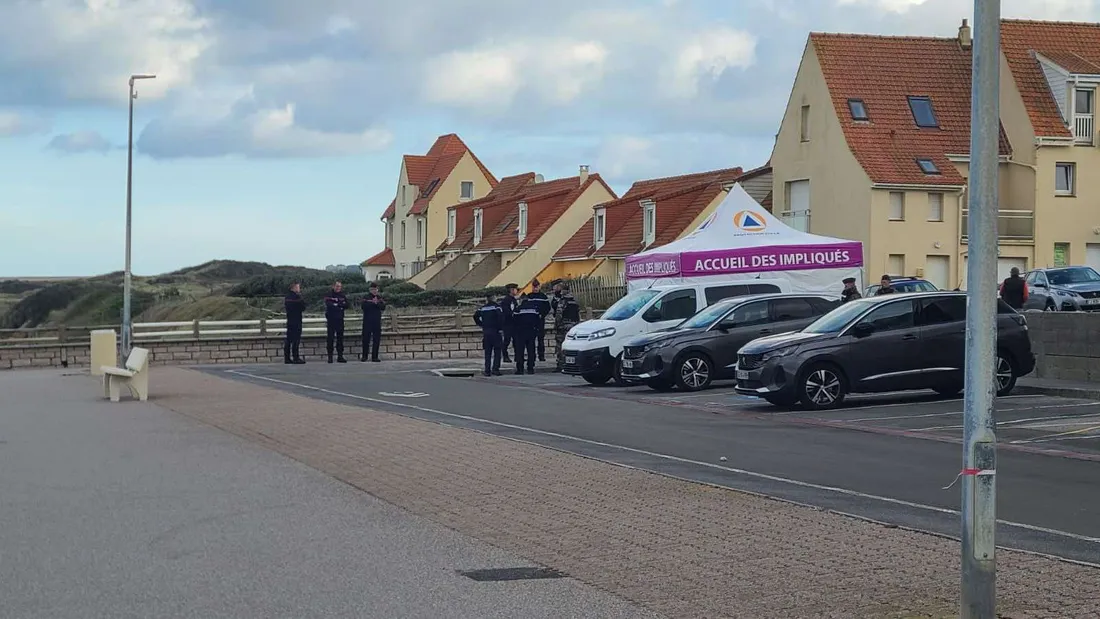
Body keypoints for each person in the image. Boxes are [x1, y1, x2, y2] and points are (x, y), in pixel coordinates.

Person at [474, 292, 504, 377]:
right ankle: (495, 369)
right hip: (495, 331)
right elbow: (501, 318)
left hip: (486, 332)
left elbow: (475, 316)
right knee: (497, 351)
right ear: (494, 298)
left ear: (487, 299)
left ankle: (487, 370)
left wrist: (481, 324)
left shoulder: (483, 308)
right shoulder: (497, 307)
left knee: (488, 353)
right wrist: (500, 328)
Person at [512, 294, 542, 375]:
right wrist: (536, 330)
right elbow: (538, 321)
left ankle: (520, 369)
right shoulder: (534, 309)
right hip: (531, 332)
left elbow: (514, 321)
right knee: (531, 351)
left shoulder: (518, 309)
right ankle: (530, 368)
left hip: (520, 333)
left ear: (521, 300)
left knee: (520, 351)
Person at [554, 285, 581, 371]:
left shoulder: (563, 301)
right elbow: (578, 314)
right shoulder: (574, 301)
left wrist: (557, 325)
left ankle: (561, 364)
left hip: (563, 326)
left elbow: (559, 314)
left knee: (560, 345)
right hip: (573, 326)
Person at [526, 279, 551, 362]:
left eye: (536, 286)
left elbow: (547, 308)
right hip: (531, 321)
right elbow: (525, 306)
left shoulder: (543, 297)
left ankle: (541, 355)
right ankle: (531, 356)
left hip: (540, 320)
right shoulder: (529, 296)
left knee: (541, 339)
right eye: (534, 286)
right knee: (531, 339)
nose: (535, 288)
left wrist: (542, 315)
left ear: (539, 287)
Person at [324, 281, 349, 363]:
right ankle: (330, 357)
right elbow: (329, 305)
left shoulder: (342, 295)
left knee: (340, 339)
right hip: (331, 319)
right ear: (333, 286)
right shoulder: (328, 295)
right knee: (330, 338)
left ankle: (340, 356)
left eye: (340, 286)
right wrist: (339, 305)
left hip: (340, 319)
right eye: (337, 286)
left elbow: (347, 305)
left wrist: (337, 304)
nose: (338, 288)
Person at [360, 282, 386, 362]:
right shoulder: (366, 297)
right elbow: (363, 307)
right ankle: (364, 356)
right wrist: (372, 303)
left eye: (376, 289)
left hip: (377, 321)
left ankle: (375, 357)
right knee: (366, 339)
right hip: (367, 321)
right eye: (373, 289)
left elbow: (383, 307)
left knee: (376, 340)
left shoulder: (379, 297)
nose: (375, 291)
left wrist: (376, 303)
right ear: (370, 290)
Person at [283, 282, 306, 364]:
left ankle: (287, 358)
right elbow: (303, 307)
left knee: (289, 339)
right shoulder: (297, 297)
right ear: (294, 288)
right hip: (297, 320)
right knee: (296, 339)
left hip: (289, 320)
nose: (299, 289)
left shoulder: (287, 297)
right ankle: (296, 357)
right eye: (298, 287)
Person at [500, 283, 520, 363]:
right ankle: (505, 356)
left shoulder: (513, 299)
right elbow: (506, 312)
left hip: (514, 324)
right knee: (507, 341)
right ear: (511, 290)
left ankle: (517, 356)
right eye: (515, 289)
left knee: (516, 341)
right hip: (508, 324)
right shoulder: (506, 300)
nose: (516, 291)